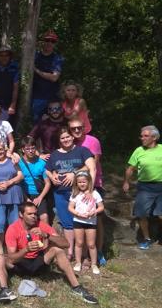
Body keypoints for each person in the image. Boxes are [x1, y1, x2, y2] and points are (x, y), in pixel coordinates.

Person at [0, 202, 99, 304]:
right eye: (30, 214)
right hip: (20, 265)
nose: (34, 216)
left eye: (35, 213)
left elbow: (66, 244)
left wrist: (47, 235)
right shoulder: (13, 229)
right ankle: (4, 290)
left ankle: (77, 287)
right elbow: (12, 258)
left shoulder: (41, 225)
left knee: (58, 250)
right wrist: (25, 250)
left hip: (39, 263)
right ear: (21, 215)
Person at [45, 126, 96, 259]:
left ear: (73, 137)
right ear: (59, 140)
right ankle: (70, 252)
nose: (66, 139)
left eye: (68, 136)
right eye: (63, 138)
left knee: (83, 222)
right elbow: (47, 169)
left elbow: (92, 167)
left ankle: (84, 255)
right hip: (60, 193)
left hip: (79, 193)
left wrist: (77, 175)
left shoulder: (82, 151)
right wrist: (52, 177)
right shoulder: (55, 154)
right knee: (67, 224)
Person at [70, 118, 106, 263]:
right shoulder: (70, 142)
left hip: (94, 184)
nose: (77, 130)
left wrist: (90, 190)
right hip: (77, 186)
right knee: (81, 219)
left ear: (84, 128)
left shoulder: (93, 141)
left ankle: (100, 251)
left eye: (79, 128)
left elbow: (94, 163)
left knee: (98, 220)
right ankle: (84, 255)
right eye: (73, 129)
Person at [123, 125, 162, 250]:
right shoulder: (139, 151)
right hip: (145, 187)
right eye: (142, 136)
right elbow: (130, 168)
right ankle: (147, 239)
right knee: (142, 214)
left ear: (154, 137)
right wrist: (126, 182)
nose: (142, 138)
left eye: (146, 136)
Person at [68, 171, 104, 275]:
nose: (82, 184)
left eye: (84, 182)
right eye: (79, 182)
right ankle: (78, 262)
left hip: (91, 222)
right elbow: (70, 207)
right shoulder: (75, 194)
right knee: (79, 243)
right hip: (78, 221)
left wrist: (94, 211)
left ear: (89, 182)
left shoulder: (94, 193)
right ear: (76, 183)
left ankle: (93, 264)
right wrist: (77, 214)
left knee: (91, 244)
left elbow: (101, 207)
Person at [32, 30, 63, 123]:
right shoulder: (35, 56)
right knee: (37, 124)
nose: (49, 43)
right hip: (36, 97)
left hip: (52, 98)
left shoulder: (57, 58)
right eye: (47, 40)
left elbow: (54, 77)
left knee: (53, 124)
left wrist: (36, 70)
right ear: (42, 41)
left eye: (52, 41)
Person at [18, 136, 51, 224]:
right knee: (25, 218)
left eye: (33, 148)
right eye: (27, 149)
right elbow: (19, 183)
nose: (31, 151)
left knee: (44, 216)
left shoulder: (42, 163)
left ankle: (45, 237)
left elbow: (47, 183)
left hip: (39, 194)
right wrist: (26, 198)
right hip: (25, 194)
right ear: (22, 150)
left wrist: (40, 197)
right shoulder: (19, 164)